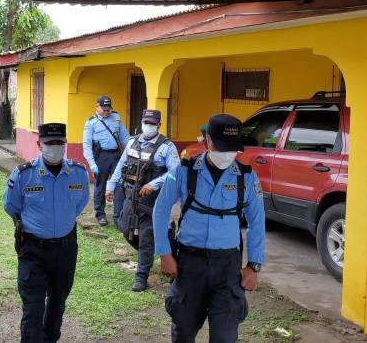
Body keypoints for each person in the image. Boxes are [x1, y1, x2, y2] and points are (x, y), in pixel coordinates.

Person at [153, 114, 265, 343]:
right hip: (189, 264)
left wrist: (254, 266)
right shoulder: (184, 171)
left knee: (225, 337)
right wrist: (164, 253)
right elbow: (160, 210)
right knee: (183, 331)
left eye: (233, 149)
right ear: (207, 141)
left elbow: (257, 222)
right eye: (222, 147)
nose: (228, 154)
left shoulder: (247, 178)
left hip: (227, 267)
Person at [3, 123, 89, 343]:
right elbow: (11, 206)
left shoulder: (78, 173)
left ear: (65, 143)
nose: (55, 147)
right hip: (33, 250)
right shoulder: (23, 175)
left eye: (59, 142)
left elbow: (80, 204)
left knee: (58, 304)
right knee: (33, 308)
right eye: (49, 143)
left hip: (65, 249)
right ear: (39, 144)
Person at [105, 109, 179, 292]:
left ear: (159, 125)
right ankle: (165, 241)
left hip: (154, 200)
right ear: (141, 122)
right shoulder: (132, 142)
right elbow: (121, 164)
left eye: (153, 124)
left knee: (146, 235)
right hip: (131, 195)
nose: (149, 126)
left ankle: (141, 276)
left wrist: (154, 184)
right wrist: (111, 186)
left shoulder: (167, 147)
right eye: (146, 123)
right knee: (124, 227)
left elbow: (176, 172)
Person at [82, 95, 130, 226]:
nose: (107, 111)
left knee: (119, 184)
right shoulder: (91, 123)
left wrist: (131, 152)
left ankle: (118, 215)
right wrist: (92, 163)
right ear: (97, 107)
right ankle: (100, 214)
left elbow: (125, 137)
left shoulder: (116, 118)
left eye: (108, 109)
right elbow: (86, 145)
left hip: (116, 156)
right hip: (101, 157)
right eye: (104, 109)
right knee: (100, 186)